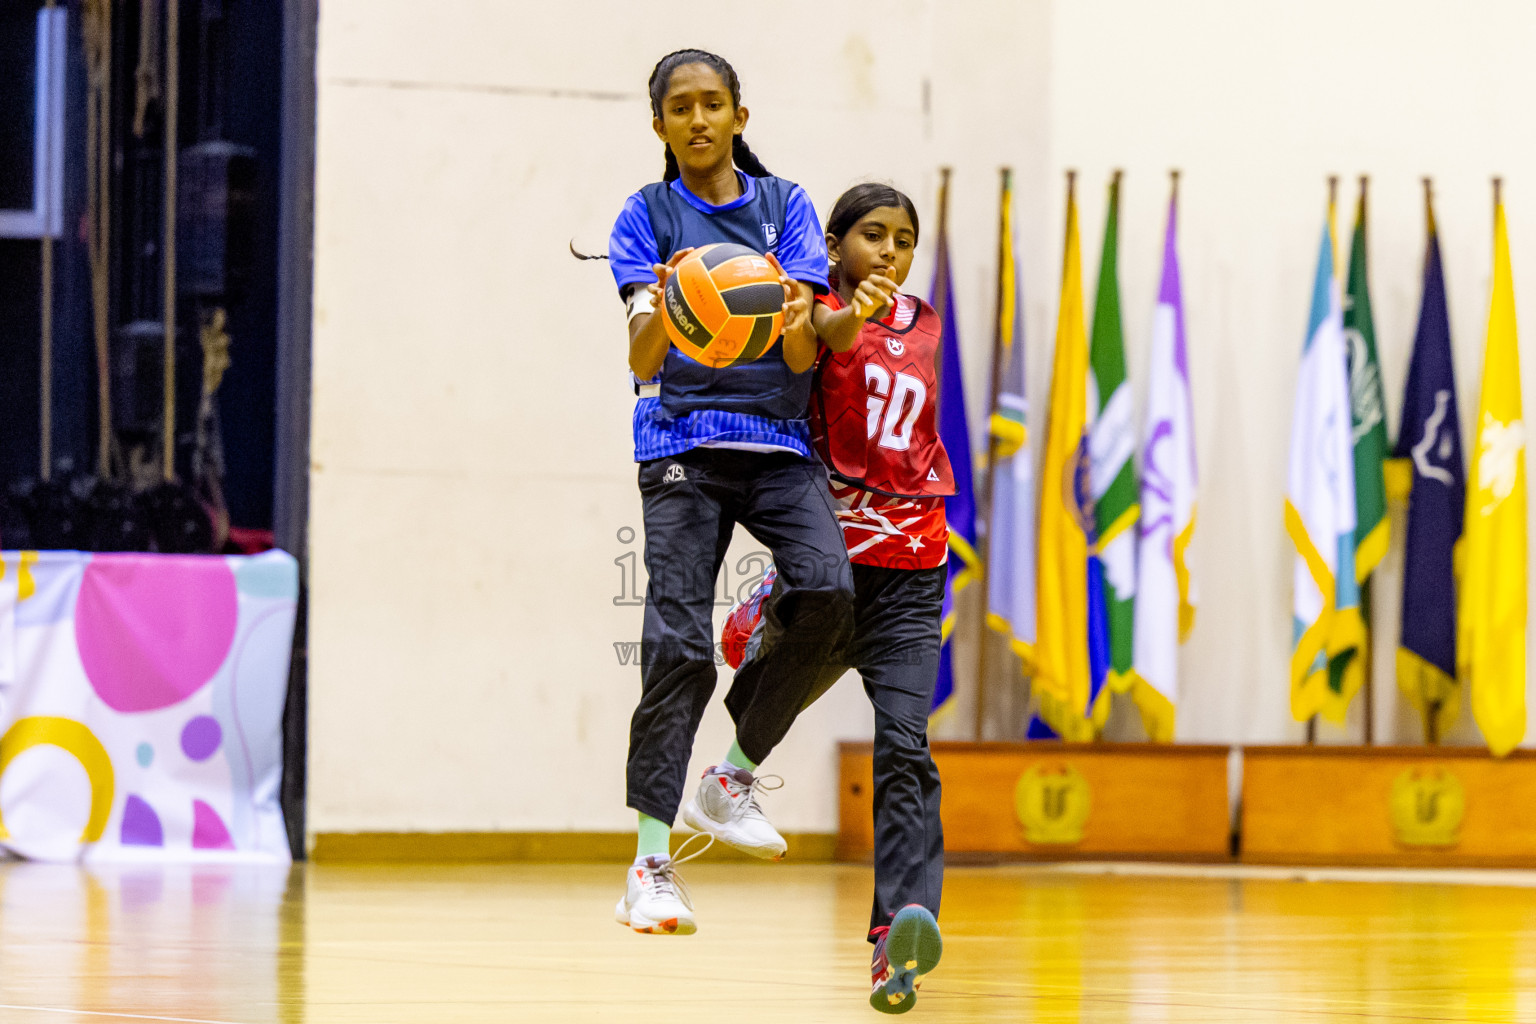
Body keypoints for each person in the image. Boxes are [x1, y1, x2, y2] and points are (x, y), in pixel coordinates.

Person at [606, 49, 855, 936]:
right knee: (677, 644)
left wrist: (796, 320)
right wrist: (669, 308)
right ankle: (648, 863)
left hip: (779, 445)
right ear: (660, 126)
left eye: (715, 105)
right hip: (679, 445)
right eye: (682, 107)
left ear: (740, 118)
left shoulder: (788, 208)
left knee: (830, 591)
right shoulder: (644, 217)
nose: (700, 119)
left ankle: (733, 773)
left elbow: (801, 354)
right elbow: (642, 361)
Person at [722, 183, 946, 1011]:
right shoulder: (808, 311)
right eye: (873, 236)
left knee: (906, 749)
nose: (890, 251)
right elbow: (821, 347)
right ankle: (771, 614)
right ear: (836, 241)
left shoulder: (924, 322)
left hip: (916, 569)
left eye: (905, 239)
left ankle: (899, 934)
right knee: (762, 698)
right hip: (836, 569)